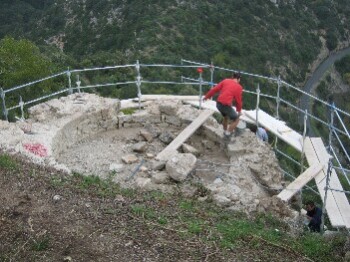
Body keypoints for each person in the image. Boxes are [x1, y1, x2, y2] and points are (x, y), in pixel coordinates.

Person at [203, 72, 243, 137]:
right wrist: (239, 111)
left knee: (226, 116)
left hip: (218, 104)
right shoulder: (239, 87)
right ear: (239, 79)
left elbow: (214, 89)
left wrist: (206, 96)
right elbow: (238, 101)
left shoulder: (226, 81)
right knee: (236, 119)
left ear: (232, 77)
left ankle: (225, 131)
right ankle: (228, 133)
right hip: (225, 105)